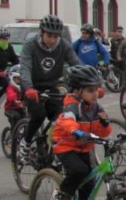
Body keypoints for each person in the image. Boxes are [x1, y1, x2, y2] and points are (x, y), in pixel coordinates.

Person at [49, 65, 113, 200]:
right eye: (90, 90)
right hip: (65, 146)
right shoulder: (72, 106)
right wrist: (75, 131)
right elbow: (67, 122)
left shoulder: (95, 107)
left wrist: (104, 124)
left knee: (89, 187)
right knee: (79, 171)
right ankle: (60, 195)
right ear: (77, 90)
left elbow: (103, 132)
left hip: (84, 147)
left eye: (96, 89)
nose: (95, 94)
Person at [19, 14, 81, 153]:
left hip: (50, 85)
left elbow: (77, 64)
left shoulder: (63, 45)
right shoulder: (31, 43)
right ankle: (26, 141)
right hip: (32, 87)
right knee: (39, 115)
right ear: (41, 33)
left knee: (60, 117)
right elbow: (25, 66)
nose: (53, 40)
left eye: (56, 36)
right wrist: (28, 87)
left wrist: (93, 84)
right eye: (49, 36)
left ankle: (51, 147)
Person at [4, 64, 26, 130]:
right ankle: (13, 135)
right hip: (10, 109)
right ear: (12, 78)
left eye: (21, 80)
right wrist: (14, 98)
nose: (19, 81)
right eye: (17, 79)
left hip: (21, 108)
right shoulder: (10, 88)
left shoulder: (24, 88)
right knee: (16, 117)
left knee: (28, 118)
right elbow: (11, 95)